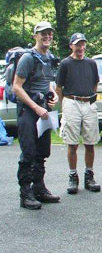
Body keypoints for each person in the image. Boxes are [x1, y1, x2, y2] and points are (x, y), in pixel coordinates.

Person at [12, 21, 60, 209]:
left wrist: (53, 94)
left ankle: (39, 189)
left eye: (49, 33)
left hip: (43, 111)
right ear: (35, 36)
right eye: (43, 34)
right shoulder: (27, 58)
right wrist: (35, 107)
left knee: (42, 152)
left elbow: (48, 82)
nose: (47, 36)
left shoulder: (48, 58)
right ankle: (25, 194)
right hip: (28, 112)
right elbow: (17, 87)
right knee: (29, 153)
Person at [55, 33, 101, 194]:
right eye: (77, 45)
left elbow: (95, 83)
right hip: (71, 101)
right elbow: (58, 88)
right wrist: (65, 105)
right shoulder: (65, 64)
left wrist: (88, 97)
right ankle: (73, 175)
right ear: (71, 46)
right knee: (72, 142)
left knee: (90, 141)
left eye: (83, 44)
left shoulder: (91, 63)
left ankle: (89, 175)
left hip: (88, 102)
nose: (80, 48)